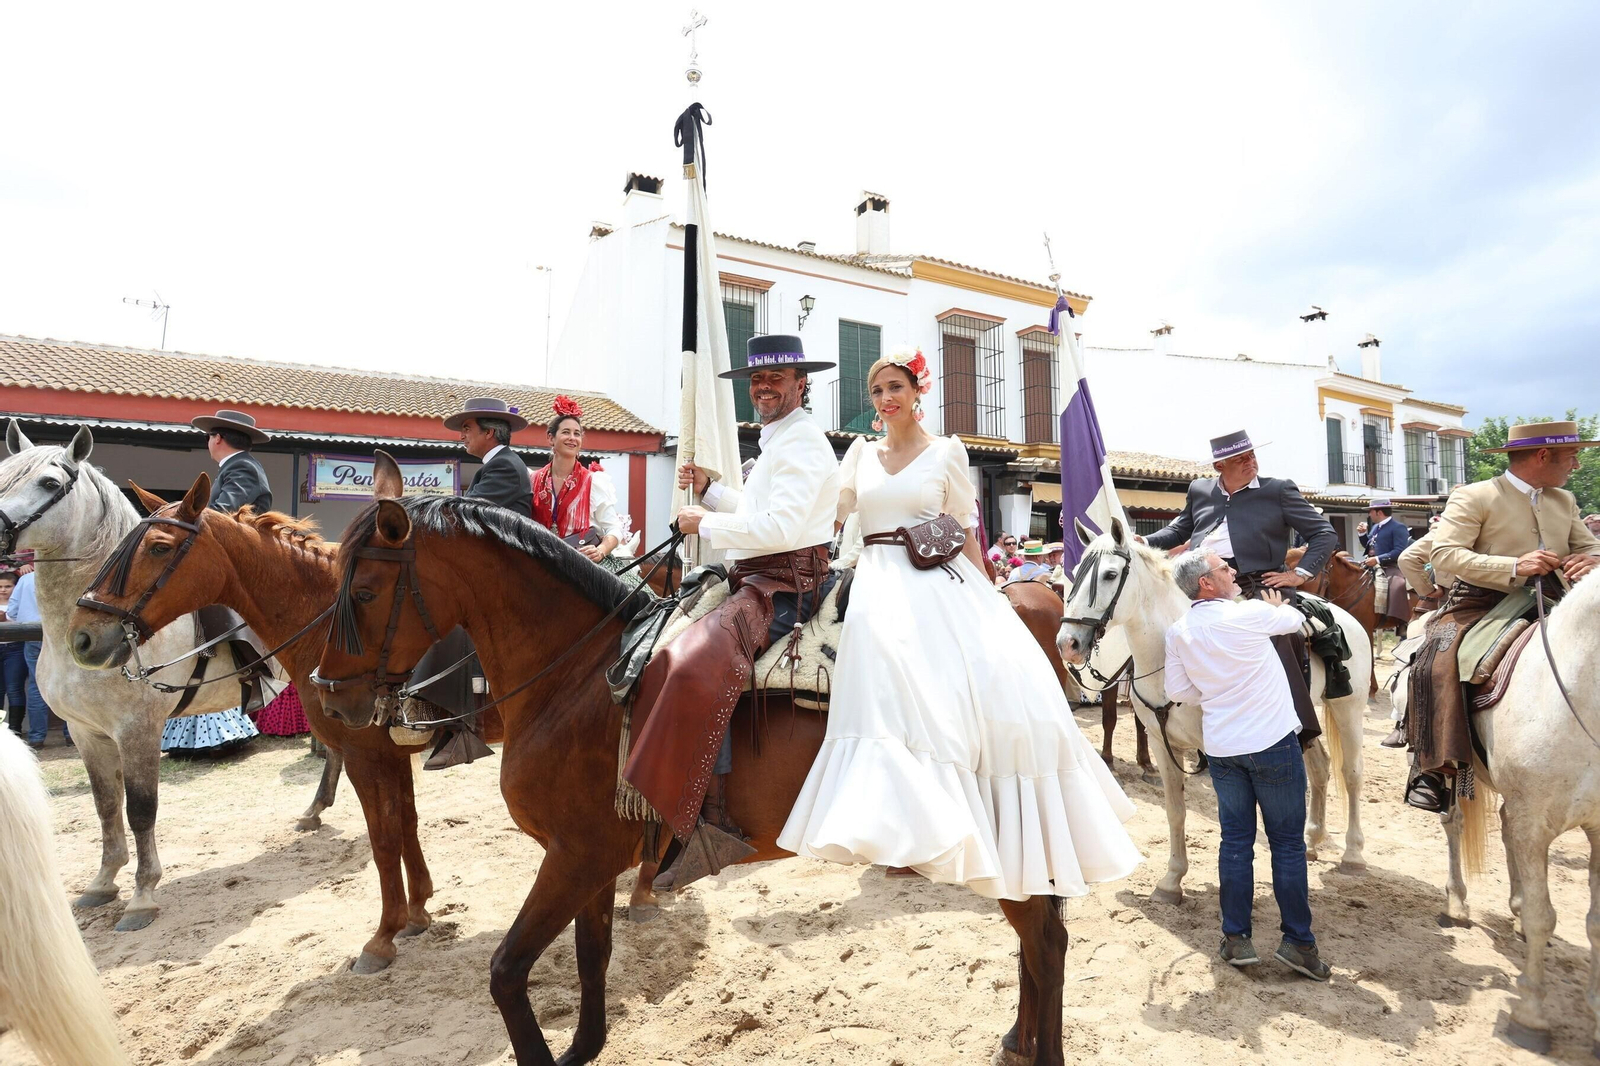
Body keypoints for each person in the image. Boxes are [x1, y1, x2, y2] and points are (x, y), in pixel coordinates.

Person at [777, 345, 1141, 902]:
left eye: (895, 386)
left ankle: (973, 814)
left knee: (990, 679)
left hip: (937, 581)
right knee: (883, 674)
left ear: (917, 392)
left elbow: (966, 532)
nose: (885, 398)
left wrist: (991, 593)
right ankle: (897, 822)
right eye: (877, 390)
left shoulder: (946, 453)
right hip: (876, 579)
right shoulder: (858, 455)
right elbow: (823, 514)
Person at [625, 334, 841, 891]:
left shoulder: (804, 443)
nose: (764, 387)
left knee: (698, 665)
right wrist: (714, 493)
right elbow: (759, 510)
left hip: (786, 586)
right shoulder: (779, 440)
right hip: (760, 576)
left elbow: (781, 529)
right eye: (757, 379)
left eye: (776, 378)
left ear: (801, 384)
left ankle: (712, 824)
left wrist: (706, 523)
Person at [1405, 421, 1600, 812]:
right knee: (1436, 661)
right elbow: (1444, 555)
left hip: (1558, 600)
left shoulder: (1564, 500)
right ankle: (1433, 767)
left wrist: (1589, 558)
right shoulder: (1476, 496)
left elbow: (1590, 545)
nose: (1576, 465)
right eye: (1572, 455)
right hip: (1482, 602)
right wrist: (1514, 565)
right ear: (1543, 455)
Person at [1163, 551, 1331, 980]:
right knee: (1288, 846)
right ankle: (1298, 943)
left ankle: (1236, 937)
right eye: (1224, 568)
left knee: (1235, 842)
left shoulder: (1179, 631)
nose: (1233, 571)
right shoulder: (1252, 612)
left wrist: (1221, 693)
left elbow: (1180, 689)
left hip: (1222, 747)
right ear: (1206, 583)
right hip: (1272, 742)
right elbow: (1294, 622)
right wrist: (1276, 607)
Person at [1142, 430, 1346, 742]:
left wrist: (1300, 573)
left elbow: (1323, 533)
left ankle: (1293, 729)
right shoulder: (1200, 490)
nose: (1251, 462)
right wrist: (1142, 540)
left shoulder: (1278, 490)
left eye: (1252, 455)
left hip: (1260, 583)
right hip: (1201, 584)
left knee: (1284, 634)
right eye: (1241, 458)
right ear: (1219, 466)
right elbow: (1179, 529)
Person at [412, 397, 533, 770]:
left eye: (467, 428)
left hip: (506, 573)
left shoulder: (506, 468)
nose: (462, 435)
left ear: (490, 432)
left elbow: (467, 514)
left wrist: (418, 509)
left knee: (454, 622)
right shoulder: (494, 467)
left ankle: (464, 728)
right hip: (492, 567)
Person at [531, 395, 628, 572]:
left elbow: (614, 528)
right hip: (542, 563)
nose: (572, 438)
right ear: (551, 438)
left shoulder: (594, 481)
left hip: (584, 565)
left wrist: (600, 551)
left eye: (577, 434)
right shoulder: (534, 480)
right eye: (566, 432)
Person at [5, 567, 69, 749]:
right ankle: (70, 734)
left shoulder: (25, 580)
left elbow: (12, 612)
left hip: (33, 635)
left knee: (37, 684)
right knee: (66, 682)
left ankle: (37, 737)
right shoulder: (63, 574)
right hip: (59, 634)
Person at [191, 409, 273, 512]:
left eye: (208, 437)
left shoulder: (242, 467)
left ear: (217, 438)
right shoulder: (238, 465)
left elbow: (224, 511)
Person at [1360, 498, 1412, 636]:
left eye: (1371, 511)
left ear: (1379, 512)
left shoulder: (1398, 527)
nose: (1369, 514)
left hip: (1390, 566)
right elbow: (1369, 546)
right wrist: (1362, 535)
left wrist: (1377, 559)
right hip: (1370, 565)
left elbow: (1399, 550)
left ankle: (1401, 621)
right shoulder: (1376, 527)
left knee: (1398, 585)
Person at [1, 572, 30, 737]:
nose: (3, 590)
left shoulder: (19, 603)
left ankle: (15, 730)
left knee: (14, 690)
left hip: (15, 648)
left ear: (15, 587)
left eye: (7, 586)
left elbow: (25, 620)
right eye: (0, 587)